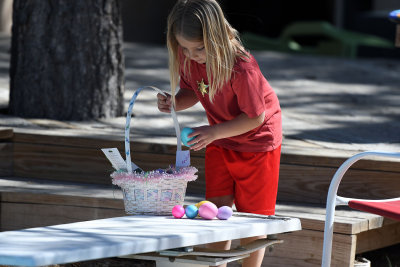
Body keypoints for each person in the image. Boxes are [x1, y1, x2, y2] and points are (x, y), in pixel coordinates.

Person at [157, 1, 282, 266]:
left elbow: (255, 117)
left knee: (254, 217)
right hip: (219, 136)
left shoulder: (242, 69)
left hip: (256, 142)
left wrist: (214, 132)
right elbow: (192, 90)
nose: (192, 55)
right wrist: (175, 103)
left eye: (199, 48)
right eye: (185, 48)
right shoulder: (188, 57)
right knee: (213, 209)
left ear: (217, 36)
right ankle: (216, 263)